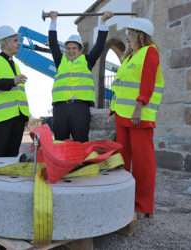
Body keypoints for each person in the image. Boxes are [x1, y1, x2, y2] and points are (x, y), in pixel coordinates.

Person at [109, 18, 165, 217]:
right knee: (122, 160)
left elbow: (148, 81)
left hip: (138, 115)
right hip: (123, 115)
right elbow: (121, 86)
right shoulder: (129, 57)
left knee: (143, 162)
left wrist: (140, 105)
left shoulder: (149, 52)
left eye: (130, 35)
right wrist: (113, 108)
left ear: (140, 35)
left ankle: (143, 206)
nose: (127, 39)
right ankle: (125, 200)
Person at [48, 11, 113, 142]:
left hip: (80, 108)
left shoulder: (87, 61)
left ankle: (82, 163)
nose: (71, 51)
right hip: (60, 108)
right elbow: (53, 44)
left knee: (81, 143)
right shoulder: (60, 62)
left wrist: (103, 22)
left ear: (80, 50)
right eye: (68, 48)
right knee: (60, 143)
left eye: (74, 48)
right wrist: (53, 21)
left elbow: (99, 46)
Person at [0, 25, 30, 157]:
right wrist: (12, 81)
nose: (18, 43)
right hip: (2, 118)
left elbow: (19, 93)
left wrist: (25, 116)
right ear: (5, 42)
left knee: (12, 155)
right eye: (15, 40)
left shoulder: (16, 65)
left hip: (18, 117)